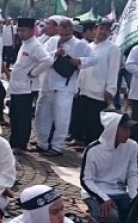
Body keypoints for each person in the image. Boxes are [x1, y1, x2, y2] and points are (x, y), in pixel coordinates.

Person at [34, 18, 95, 156]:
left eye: (67, 31)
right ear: (58, 29)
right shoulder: (51, 41)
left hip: (65, 86)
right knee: (42, 114)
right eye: (62, 30)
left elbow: (94, 59)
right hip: (47, 83)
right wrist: (55, 53)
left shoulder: (80, 45)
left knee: (62, 117)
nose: (64, 35)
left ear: (72, 30)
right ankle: (41, 143)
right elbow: (42, 56)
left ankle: (57, 146)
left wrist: (79, 61)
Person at [79, 112, 138, 223]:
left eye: (129, 129)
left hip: (119, 191)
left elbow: (132, 174)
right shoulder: (93, 150)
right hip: (97, 193)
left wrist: (134, 198)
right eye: (124, 129)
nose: (128, 133)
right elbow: (86, 179)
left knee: (136, 217)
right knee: (113, 217)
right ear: (113, 129)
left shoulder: (132, 146)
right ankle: (92, 210)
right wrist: (102, 198)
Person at [72, 18, 120, 146]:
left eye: (106, 30)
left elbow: (113, 70)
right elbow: (82, 68)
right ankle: (81, 140)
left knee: (95, 120)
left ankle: (93, 144)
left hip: (99, 90)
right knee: (83, 117)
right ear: (95, 30)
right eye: (101, 28)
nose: (103, 32)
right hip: (85, 88)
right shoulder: (89, 46)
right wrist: (77, 86)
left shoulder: (113, 48)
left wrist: (110, 89)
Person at [7, 18, 52, 154]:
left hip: (26, 87)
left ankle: (21, 144)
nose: (21, 33)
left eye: (23, 30)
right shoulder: (25, 44)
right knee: (14, 116)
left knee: (23, 117)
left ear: (32, 30)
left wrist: (34, 73)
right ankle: (14, 142)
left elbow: (47, 60)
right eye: (19, 30)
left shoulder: (35, 45)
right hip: (17, 87)